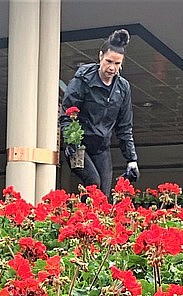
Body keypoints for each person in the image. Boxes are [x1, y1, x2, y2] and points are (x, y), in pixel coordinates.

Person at [58, 29, 139, 199]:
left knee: (104, 195)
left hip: (101, 147)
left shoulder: (123, 88)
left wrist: (131, 160)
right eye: (109, 61)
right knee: (94, 183)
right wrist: (71, 140)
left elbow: (124, 127)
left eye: (117, 64)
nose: (112, 68)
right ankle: (81, 222)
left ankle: (93, 222)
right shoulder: (83, 79)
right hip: (79, 145)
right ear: (100, 56)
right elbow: (67, 114)